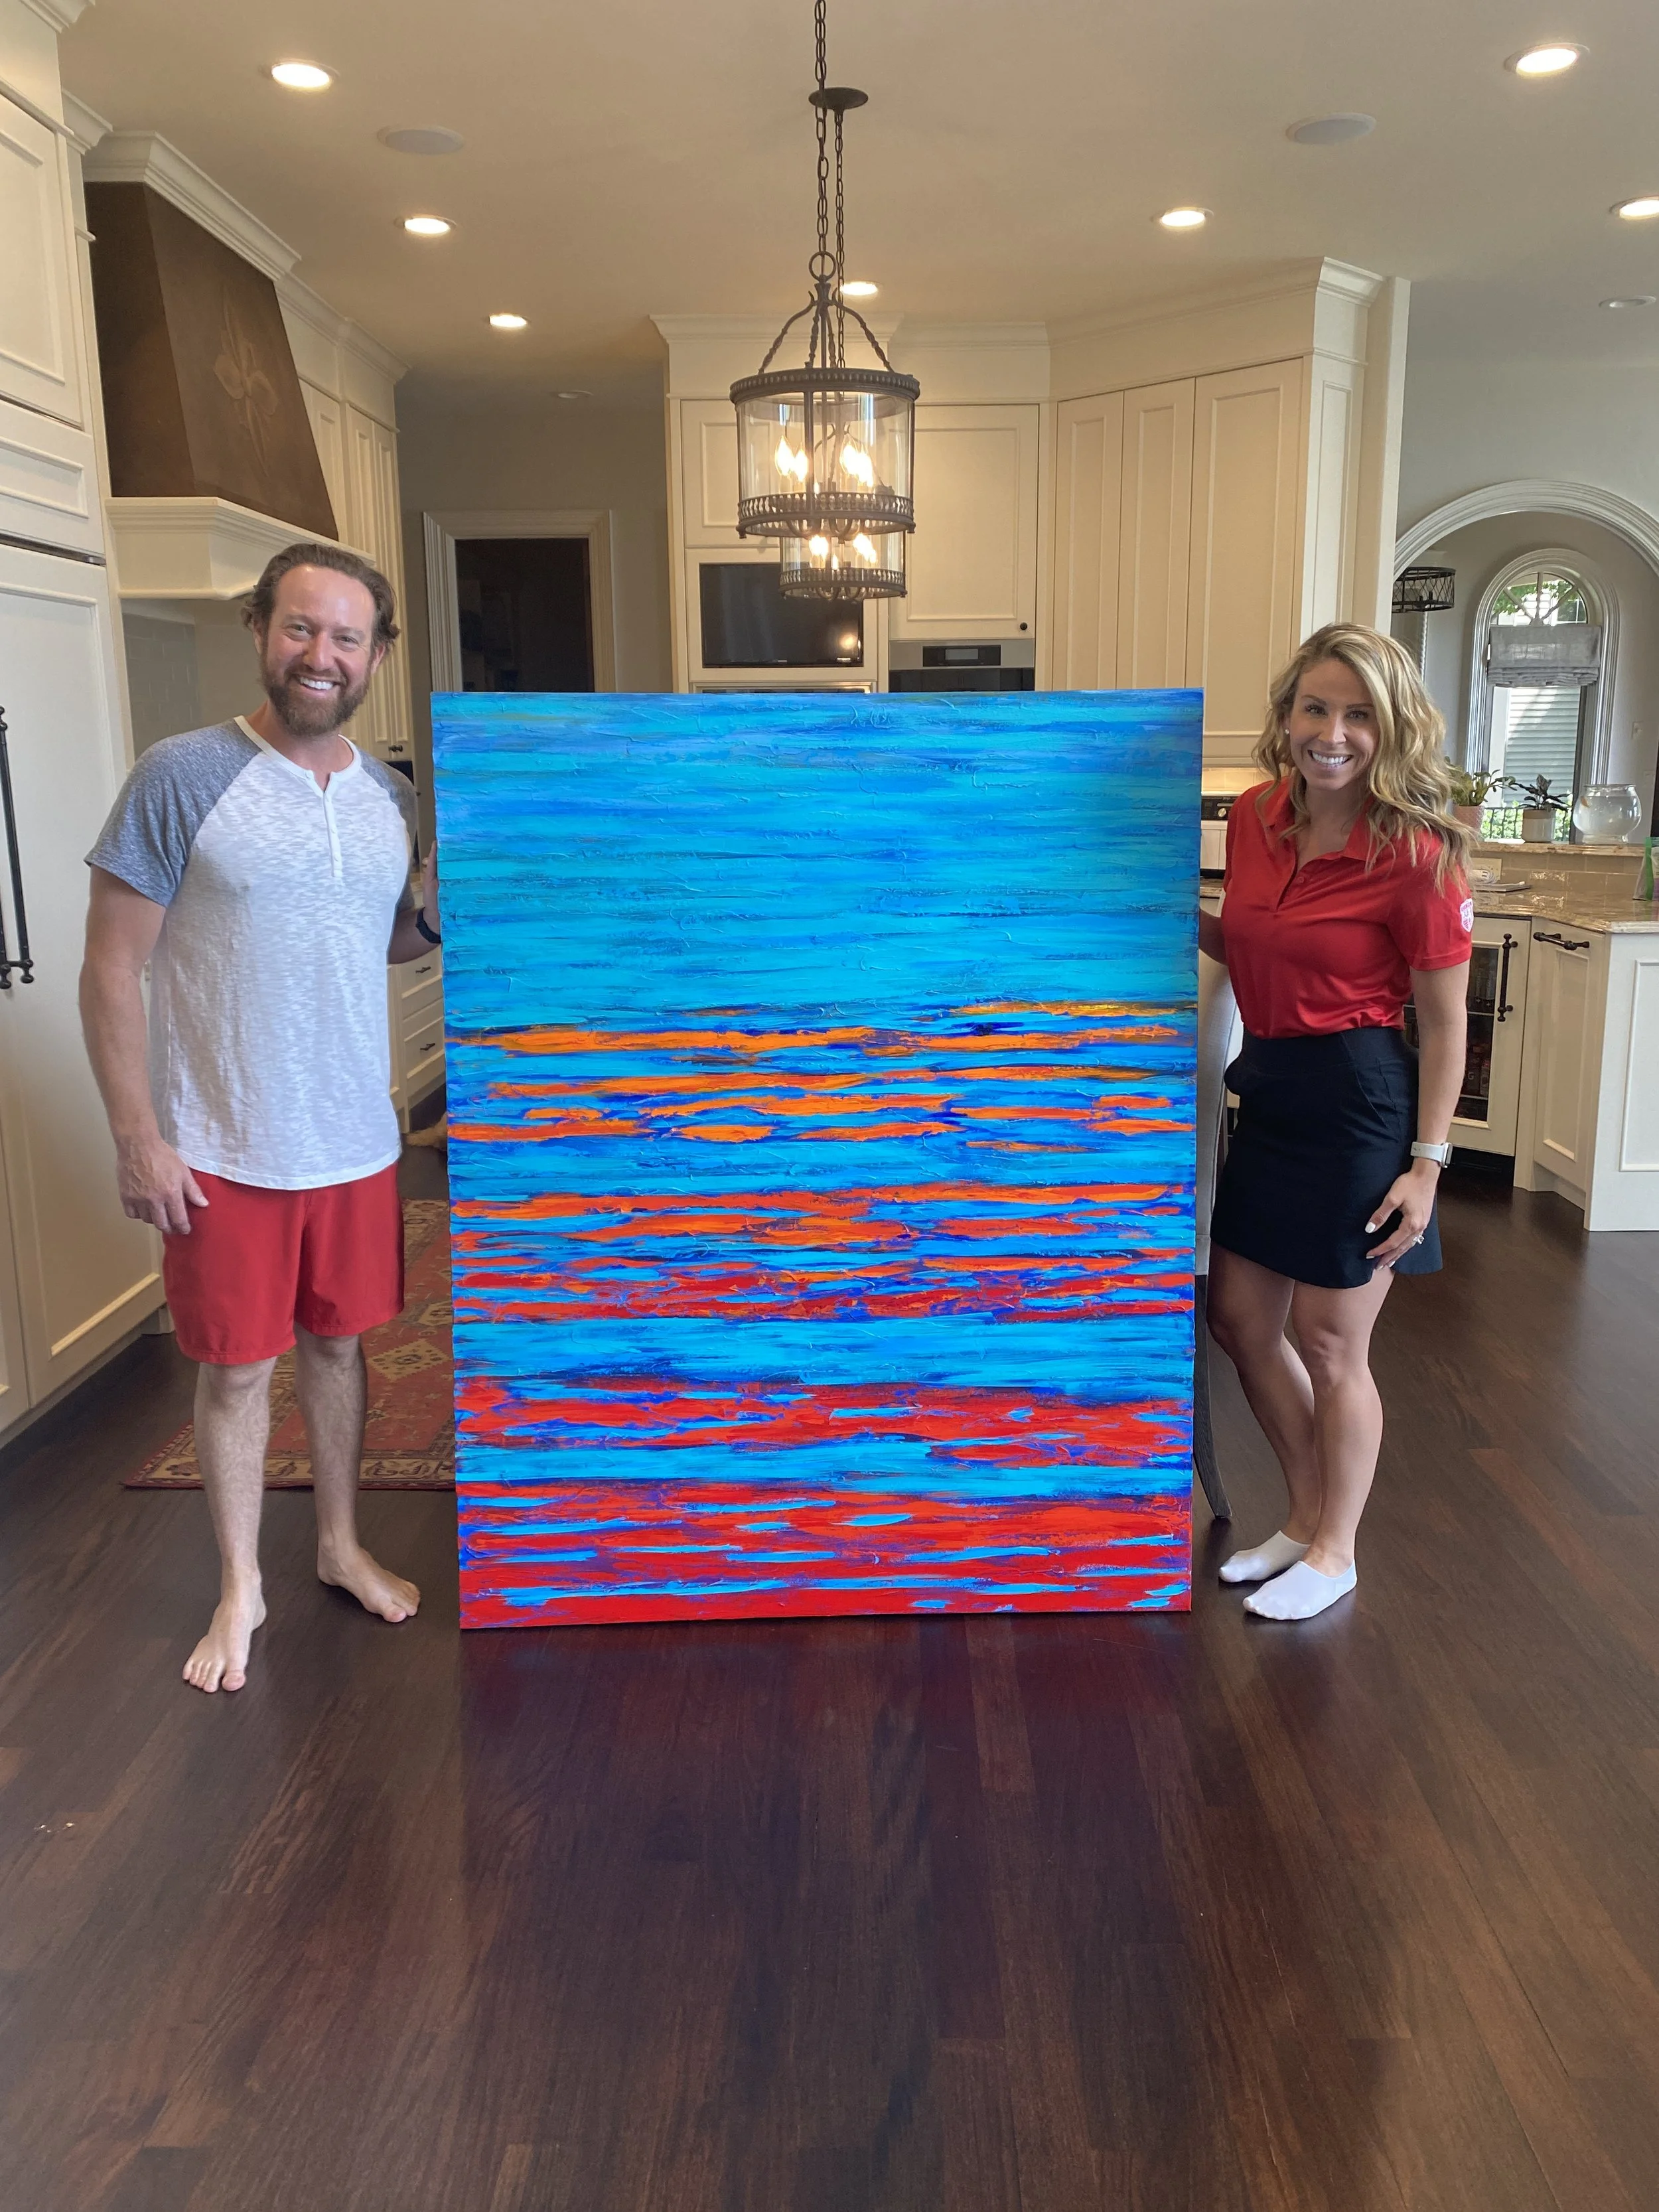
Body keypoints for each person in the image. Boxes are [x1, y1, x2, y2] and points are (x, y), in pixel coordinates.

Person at [80, 543, 443, 1693]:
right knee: (238, 1372)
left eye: (346, 637)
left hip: (353, 1133)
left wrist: (436, 919)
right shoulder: (181, 775)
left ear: (378, 654)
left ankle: (338, 1544)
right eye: (301, 629)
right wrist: (138, 1135)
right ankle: (243, 1586)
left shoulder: (389, 796)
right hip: (223, 1142)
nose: (321, 656)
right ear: (260, 632)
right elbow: (107, 969)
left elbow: (374, 937)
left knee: (341, 1348)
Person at [1200, 623, 1472, 1622]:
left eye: (1360, 715)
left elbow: (1445, 1027)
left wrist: (1428, 1165)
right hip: (1270, 1088)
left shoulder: (1419, 853)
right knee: (1237, 1317)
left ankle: (1338, 1550)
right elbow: (1245, 938)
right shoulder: (1258, 816)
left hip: (1363, 1100)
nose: (1334, 732)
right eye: (1316, 707)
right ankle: (1305, 1518)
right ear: (1286, 717)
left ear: (1391, 730)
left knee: (1327, 1338)